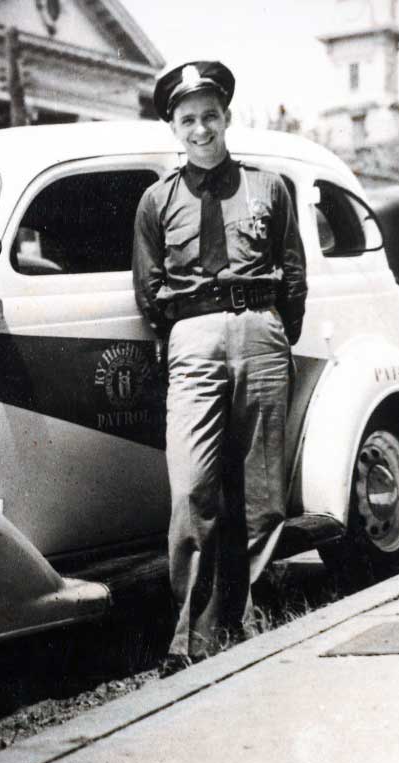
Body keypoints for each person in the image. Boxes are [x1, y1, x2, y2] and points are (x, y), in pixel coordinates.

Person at [131, 61, 308, 668]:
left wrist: (273, 332)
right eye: (188, 120)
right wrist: (187, 336)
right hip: (193, 339)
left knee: (261, 493)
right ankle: (193, 638)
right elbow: (148, 287)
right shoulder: (157, 201)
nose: (201, 129)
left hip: (261, 333)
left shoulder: (269, 188)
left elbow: (295, 274)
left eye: (210, 116)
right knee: (192, 489)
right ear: (173, 129)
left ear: (227, 117)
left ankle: (255, 620)